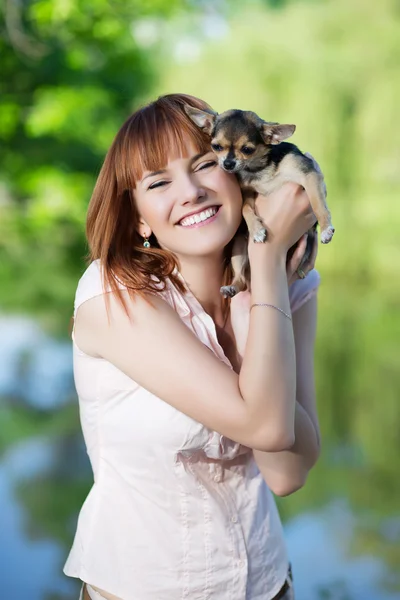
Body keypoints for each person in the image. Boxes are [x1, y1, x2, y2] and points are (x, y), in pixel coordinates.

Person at [63, 93, 322, 600]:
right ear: (139, 219)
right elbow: (270, 427)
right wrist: (266, 260)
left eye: (205, 165)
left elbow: (287, 471)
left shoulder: (291, 286)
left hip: (268, 586)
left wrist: (259, 297)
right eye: (159, 183)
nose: (192, 192)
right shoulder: (113, 297)